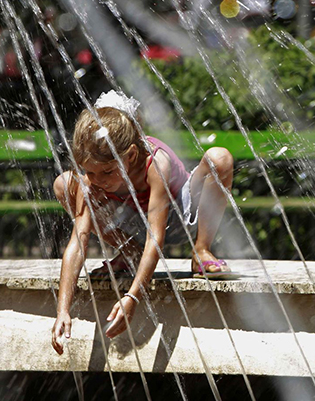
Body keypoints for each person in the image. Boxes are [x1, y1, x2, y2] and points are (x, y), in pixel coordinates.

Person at [51, 90, 234, 354]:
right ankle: (129, 252)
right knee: (65, 183)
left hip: (179, 216)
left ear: (132, 156)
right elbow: (77, 243)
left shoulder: (154, 163)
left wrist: (133, 296)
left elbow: (156, 237)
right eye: (90, 171)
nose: (98, 179)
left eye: (107, 171)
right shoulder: (92, 180)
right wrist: (62, 311)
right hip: (132, 221)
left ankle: (201, 250)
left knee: (220, 159)